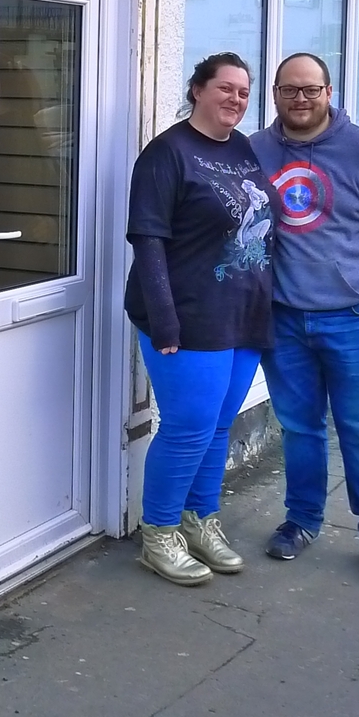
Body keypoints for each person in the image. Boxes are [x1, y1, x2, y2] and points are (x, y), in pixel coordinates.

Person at [250, 52, 359, 585]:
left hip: (354, 317)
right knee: (300, 428)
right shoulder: (256, 150)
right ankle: (301, 520)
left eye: (310, 89)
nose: (300, 99)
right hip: (284, 320)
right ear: (275, 94)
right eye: (289, 89)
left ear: (328, 92)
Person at [125, 52, 281, 586]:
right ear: (197, 90)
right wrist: (164, 320)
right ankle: (159, 534)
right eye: (225, 88)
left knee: (216, 428)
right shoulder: (167, 153)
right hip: (188, 317)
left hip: (242, 312)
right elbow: (148, 240)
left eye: (244, 91)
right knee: (188, 429)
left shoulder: (242, 149)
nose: (236, 98)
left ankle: (199, 520)